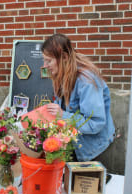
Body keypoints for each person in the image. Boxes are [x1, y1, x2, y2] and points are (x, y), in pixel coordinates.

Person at [41, 33, 115, 162]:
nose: (45, 65)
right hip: (73, 140)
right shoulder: (61, 74)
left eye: (49, 60)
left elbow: (95, 123)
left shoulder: (86, 81)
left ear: (64, 57)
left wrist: (63, 115)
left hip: (90, 146)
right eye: (44, 60)